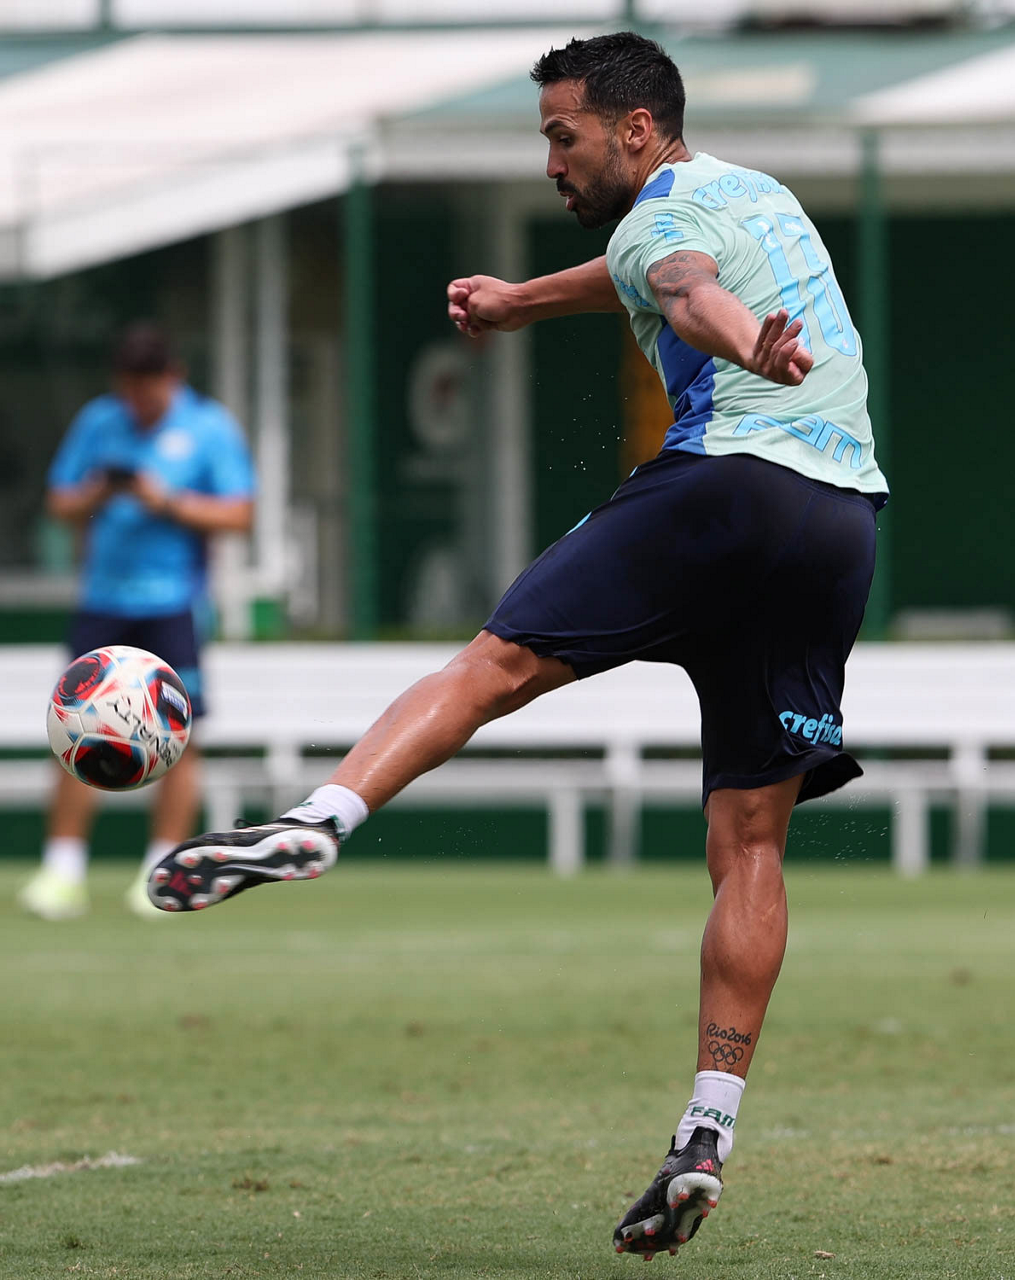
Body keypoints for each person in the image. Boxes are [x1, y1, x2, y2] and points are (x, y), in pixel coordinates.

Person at [145, 32, 888, 1259]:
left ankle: (317, 819)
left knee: (492, 665)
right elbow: (645, 274)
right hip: (838, 522)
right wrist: (519, 300)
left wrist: (736, 337)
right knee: (751, 841)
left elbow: (681, 287)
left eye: (561, 135)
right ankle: (706, 1127)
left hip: (727, 486)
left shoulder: (663, 223)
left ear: (634, 130)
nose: (550, 161)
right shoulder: (756, 193)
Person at [19, 322, 255, 921]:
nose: (138, 401)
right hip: (102, 601)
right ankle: (62, 870)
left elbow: (240, 514)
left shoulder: (209, 427)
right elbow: (59, 502)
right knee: (74, 728)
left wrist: (166, 501)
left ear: (173, 376)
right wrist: (99, 493)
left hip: (174, 604)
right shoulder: (99, 421)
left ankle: (163, 869)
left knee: (179, 736)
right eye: (129, 388)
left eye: (148, 387)